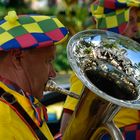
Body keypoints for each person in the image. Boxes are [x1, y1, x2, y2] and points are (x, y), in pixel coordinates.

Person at [60, 0, 140, 139]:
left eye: (137, 20)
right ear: (114, 25)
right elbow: (67, 128)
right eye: (130, 21)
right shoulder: (92, 64)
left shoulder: (132, 63)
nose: (136, 28)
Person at [0, 10, 68, 140]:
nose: (53, 74)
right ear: (18, 58)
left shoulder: (19, 104)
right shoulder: (4, 119)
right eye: (48, 61)